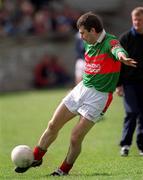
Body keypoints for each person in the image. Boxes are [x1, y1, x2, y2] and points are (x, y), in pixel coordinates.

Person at [15, 12, 137, 176]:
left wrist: (122, 57)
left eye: (82, 33)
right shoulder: (87, 41)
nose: (81, 36)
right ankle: (37, 157)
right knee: (53, 125)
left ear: (93, 30)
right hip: (81, 89)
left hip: (99, 97)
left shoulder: (110, 41)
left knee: (74, 137)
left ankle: (63, 170)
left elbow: (117, 49)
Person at [116, 7, 143, 157]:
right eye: (135, 20)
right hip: (130, 83)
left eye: (140, 19)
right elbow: (118, 63)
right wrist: (118, 85)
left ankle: (141, 146)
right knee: (132, 112)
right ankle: (125, 145)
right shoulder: (125, 38)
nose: (137, 22)